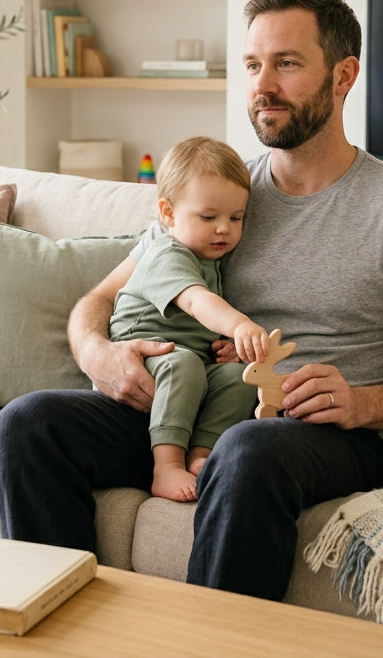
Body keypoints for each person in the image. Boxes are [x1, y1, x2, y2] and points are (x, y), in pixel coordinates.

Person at [0, 0, 383, 601]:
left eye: (287, 63)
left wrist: (360, 403)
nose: (262, 85)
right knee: (29, 424)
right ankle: (58, 632)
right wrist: (96, 354)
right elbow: (102, 299)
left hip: (325, 432)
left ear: (343, 76)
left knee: (248, 450)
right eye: (252, 64)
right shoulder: (218, 194)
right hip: (195, 405)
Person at [108, 136, 267, 503]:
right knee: (184, 365)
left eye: (236, 217)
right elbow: (196, 303)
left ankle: (201, 454)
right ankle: (165, 466)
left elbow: (199, 328)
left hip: (187, 355)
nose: (224, 228)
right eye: (209, 217)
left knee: (238, 378)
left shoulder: (209, 259)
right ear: (167, 213)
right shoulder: (168, 252)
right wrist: (240, 325)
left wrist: (228, 348)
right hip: (144, 349)